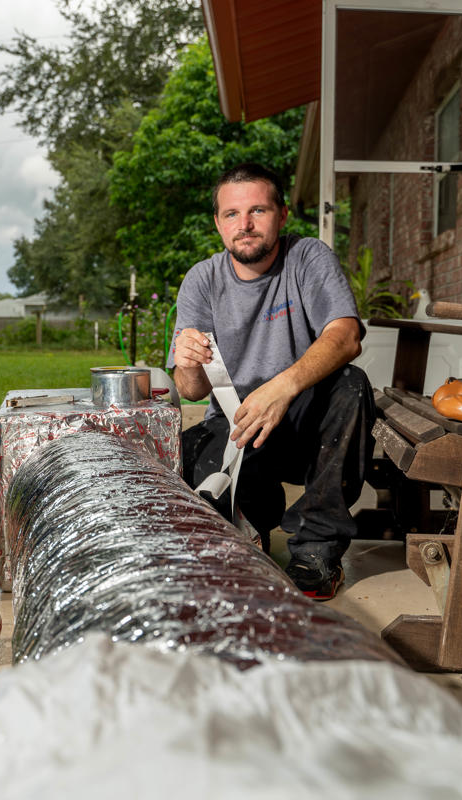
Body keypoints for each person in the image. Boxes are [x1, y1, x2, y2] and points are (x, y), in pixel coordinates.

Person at [169, 163, 375, 600]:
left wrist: (282, 387)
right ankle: (253, 522)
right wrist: (187, 363)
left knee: (351, 385)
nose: (244, 225)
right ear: (218, 223)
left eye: (258, 210)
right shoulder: (201, 280)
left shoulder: (307, 257)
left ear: (282, 216)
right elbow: (191, 390)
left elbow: (346, 336)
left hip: (303, 420)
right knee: (183, 467)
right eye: (231, 214)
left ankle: (317, 548)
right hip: (237, 425)